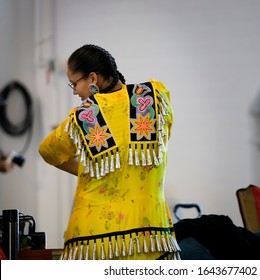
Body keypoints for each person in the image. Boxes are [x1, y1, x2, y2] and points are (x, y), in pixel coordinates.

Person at [38, 44, 179, 260]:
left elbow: (47, 152)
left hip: (94, 242)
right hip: (151, 234)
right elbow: (162, 141)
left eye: (74, 83)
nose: (75, 91)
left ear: (92, 78)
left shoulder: (83, 118)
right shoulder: (154, 98)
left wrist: (87, 170)